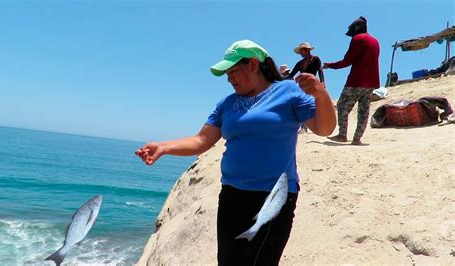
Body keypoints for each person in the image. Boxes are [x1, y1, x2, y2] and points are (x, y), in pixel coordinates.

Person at [135, 40, 336, 265]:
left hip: (273, 197)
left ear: (252, 65)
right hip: (232, 195)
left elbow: (324, 128)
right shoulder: (227, 104)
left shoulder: (287, 91)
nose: (229, 78)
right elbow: (201, 140)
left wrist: (321, 96)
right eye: (227, 74)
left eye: (233, 71)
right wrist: (163, 147)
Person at [322, 16, 380, 145]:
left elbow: (347, 61)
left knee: (342, 105)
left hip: (356, 81)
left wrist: (330, 65)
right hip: (371, 82)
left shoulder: (357, 39)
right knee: (364, 111)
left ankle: (342, 135)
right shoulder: (375, 41)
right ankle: (357, 139)